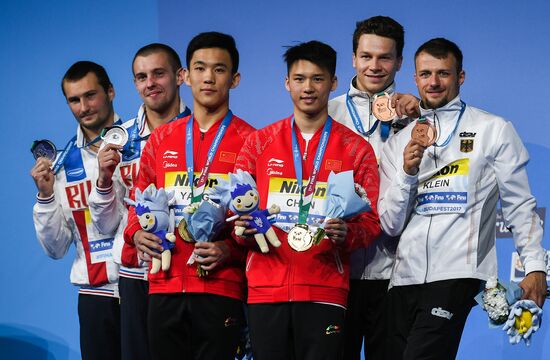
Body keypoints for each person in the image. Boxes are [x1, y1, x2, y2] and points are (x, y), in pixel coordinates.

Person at [378, 37, 548, 359]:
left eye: (443, 73)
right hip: (402, 278)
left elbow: (519, 205)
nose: (434, 82)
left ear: (461, 77)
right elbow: (390, 223)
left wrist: (535, 266)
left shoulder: (493, 129)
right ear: (414, 78)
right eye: (426, 74)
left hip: (457, 273)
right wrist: (407, 173)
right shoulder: (399, 141)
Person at [234, 40, 381, 360]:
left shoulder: (356, 150)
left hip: (325, 290)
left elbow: (371, 221)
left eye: (317, 78)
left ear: (333, 83)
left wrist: (349, 234)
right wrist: (242, 229)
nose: (308, 87)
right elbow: (236, 214)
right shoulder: (258, 144)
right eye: (299, 79)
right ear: (287, 83)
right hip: (265, 290)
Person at [123, 32, 255, 360]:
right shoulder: (161, 139)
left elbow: (259, 218)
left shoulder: (252, 141)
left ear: (235, 79)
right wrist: (136, 232)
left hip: (220, 285)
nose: (208, 77)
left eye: (219, 69)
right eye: (200, 68)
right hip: (163, 284)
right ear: (185, 76)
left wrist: (230, 249)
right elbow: (138, 202)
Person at [88, 43, 191, 360]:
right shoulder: (118, 140)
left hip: (189, 273)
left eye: (159, 73)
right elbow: (106, 225)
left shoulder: (203, 134)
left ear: (180, 76)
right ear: (134, 83)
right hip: (137, 277)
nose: (150, 83)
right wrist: (104, 180)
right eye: (141, 76)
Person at [328, 16, 418, 360]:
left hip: (395, 272)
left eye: (384, 57)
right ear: (353, 58)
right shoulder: (327, 112)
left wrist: (419, 112)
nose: (374, 66)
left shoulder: (415, 115)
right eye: (366, 56)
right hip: (337, 271)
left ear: (399, 61)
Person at [31, 61, 121, 359]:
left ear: (110, 92)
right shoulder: (61, 164)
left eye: (90, 95)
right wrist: (45, 197)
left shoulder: (142, 145)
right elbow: (56, 248)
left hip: (144, 285)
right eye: (74, 100)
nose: (84, 107)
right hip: (95, 296)